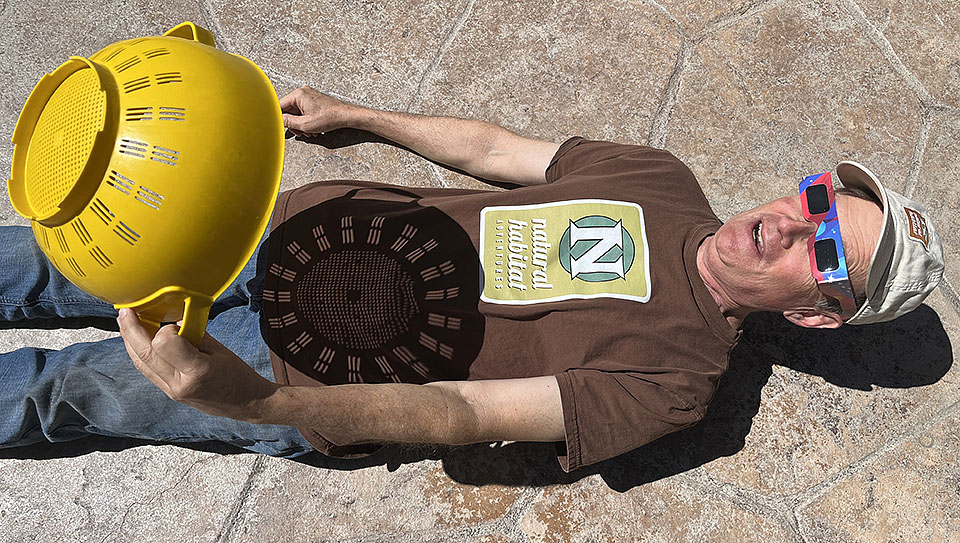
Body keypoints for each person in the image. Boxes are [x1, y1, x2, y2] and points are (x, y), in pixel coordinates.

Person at [0, 86, 943, 472]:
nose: (790, 221)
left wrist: (255, 404)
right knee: (49, 256)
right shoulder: (662, 177)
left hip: (286, 362)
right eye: (816, 197)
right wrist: (358, 116)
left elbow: (464, 414)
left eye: (824, 254)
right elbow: (497, 150)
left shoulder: (677, 382)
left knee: (60, 391)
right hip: (293, 228)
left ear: (821, 317)